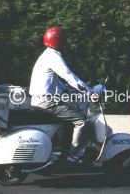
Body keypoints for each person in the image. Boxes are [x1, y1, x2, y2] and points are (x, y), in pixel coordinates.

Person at [29, 26, 95, 164]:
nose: (66, 42)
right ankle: (74, 155)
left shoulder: (46, 55)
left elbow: (59, 84)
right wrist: (89, 91)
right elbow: (68, 75)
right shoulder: (53, 56)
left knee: (69, 119)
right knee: (83, 120)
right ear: (59, 42)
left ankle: (64, 152)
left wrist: (78, 91)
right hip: (47, 101)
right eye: (64, 40)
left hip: (39, 100)